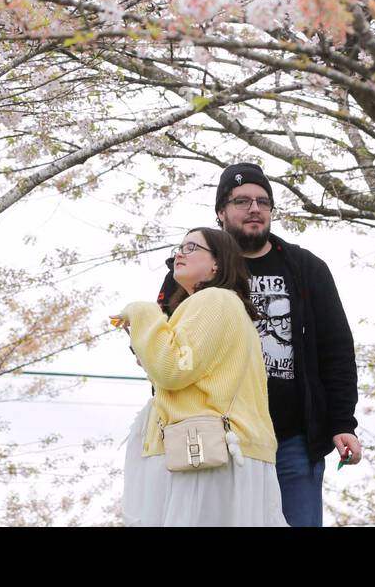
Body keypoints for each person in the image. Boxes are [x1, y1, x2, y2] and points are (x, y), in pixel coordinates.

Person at [155, 162, 361, 527]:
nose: (254, 209)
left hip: (293, 440)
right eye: (242, 201)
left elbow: (336, 349)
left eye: (263, 202)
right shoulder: (194, 267)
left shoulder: (305, 268)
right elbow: (166, 348)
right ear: (221, 212)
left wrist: (343, 421)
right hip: (220, 438)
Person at [117, 227, 288, 527]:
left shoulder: (214, 300)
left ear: (217, 263)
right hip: (223, 450)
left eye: (192, 247)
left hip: (204, 453)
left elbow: (172, 369)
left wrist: (143, 313)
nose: (179, 254)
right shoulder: (224, 305)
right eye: (179, 248)